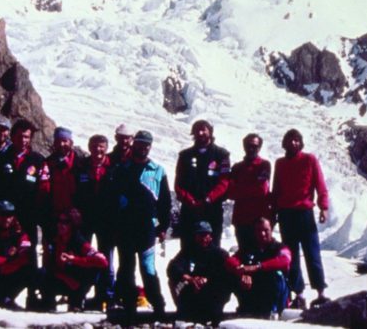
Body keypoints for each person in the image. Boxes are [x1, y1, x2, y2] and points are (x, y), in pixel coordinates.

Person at [110, 129, 171, 322]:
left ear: (150, 147)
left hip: (147, 228)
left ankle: (158, 307)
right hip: (125, 227)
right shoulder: (122, 169)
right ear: (133, 144)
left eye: (146, 145)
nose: (142, 148)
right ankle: (129, 308)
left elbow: (165, 202)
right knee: (127, 268)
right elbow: (113, 199)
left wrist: (163, 227)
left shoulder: (158, 170)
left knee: (148, 268)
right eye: (139, 144)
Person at [272, 128, 329, 309]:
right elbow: (276, 190)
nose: (293, 143)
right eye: (290, 140)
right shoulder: (280, 164)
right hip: (286, 215)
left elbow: (320, 185)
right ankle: (300, 295)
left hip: (304, 214)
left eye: (297, 140)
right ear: (285, 143)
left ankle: (321, 292)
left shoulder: (309, 159)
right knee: (292, 257)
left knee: (312, 253)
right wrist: (273, 213)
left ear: (301, 142)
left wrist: (324, 207)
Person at [174, 119, 230, 250]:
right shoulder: (185, 156)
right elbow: (178, 184)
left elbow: (224, 181)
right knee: (188, 247)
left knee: (213, 247)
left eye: (203, 129)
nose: (200, 133)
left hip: (213, 209)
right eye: (197, 130)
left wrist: (209, 198)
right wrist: (190, 200)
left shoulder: (221, 155)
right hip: (189, 210)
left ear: (210, 131)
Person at [0, 118, 48, 243]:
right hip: (4, 216)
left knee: (28, 253)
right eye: (20, 136)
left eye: (27, 137)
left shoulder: (38, 160)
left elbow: (44, 189)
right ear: (12, 136)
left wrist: (37, 212)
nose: (23, 140)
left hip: (28, 216)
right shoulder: (1, 158)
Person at [40, 208, 108, 311]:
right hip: (64, 279)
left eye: (65, 222)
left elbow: (103, 261)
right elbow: (49, 266)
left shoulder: (79, 241)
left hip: (77, 281)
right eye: (59, 221)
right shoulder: (54, 239)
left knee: (94, 269)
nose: (60, 225)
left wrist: (74, 260)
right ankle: (49, 304)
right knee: (41, 273)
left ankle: (77, 299)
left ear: (72, 225)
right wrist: (65, 278)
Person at [166, 221, 232, 324]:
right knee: (173, 279)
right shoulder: (187, 252)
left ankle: (214, 315)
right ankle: (184, 311)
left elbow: (224, 273)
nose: (203, 238)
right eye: (200, 235)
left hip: (212, 293)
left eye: (206, 235)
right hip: (192, 290)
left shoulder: (220, 254)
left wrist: (206, 280)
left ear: (210, 236)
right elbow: (172, 267)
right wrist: (189, 278)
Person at [75, 133, 114, 308]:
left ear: (106, 148)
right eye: (95, 146)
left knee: (106, 258)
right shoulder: (81, 166)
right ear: (89, 147)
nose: (98, 149)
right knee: (83, 256)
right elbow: (74, 190)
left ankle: (104, 296)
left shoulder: (113, 166)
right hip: (85, 219)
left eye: (101, 146)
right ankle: (79, 295)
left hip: (106, 220)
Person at [225, 217, 291, 318]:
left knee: (277, 274)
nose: (262, 234)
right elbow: (231, 261)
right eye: (259, 230)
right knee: (230, 275)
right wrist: (241, 271)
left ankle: (274, 311)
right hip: (254, 289)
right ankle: (246, 307)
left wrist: (258, 267)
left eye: (266, 230)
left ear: (271, 230)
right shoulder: (249, 248)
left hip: (273, 291)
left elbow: (285, 260)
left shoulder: (279, 247)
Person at [228, 133, 272, 250]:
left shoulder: (264, 165)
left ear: (259, 148)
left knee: (261, 253)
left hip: (259, 218)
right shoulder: (237, 167)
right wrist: (251, 187)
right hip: (241, 218)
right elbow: (230, 192)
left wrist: (241, 189)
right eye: (248, 145)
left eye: (255, 146)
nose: (251, 148)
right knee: (244, 252)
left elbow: (261, 190)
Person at [45, 127, 85, 224]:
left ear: (71, 142)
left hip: (75, 213)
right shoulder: (48, 162)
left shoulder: (81, 162)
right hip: (54, 213)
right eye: (58, 141)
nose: (61, 144)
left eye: (64, 141)